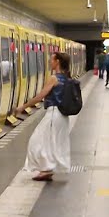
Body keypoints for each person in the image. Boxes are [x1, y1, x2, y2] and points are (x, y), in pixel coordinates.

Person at [15, 52, 75, 182]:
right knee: (53, 142)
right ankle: (47, 169)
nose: (49, 62)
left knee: (36, 140)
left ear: (57, 61)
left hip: (54, 114)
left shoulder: (54, 78)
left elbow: (40, 96)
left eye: (51, 59)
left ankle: (46, 169)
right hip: (63, 117)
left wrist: (22, 107)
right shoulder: (67, 77)